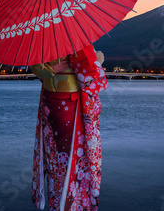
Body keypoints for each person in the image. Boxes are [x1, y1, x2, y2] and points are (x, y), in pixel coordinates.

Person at [29, 44, 108, 211]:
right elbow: (92, 80)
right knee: (72, 159)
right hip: (69, 105)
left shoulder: (44, 38)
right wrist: (98, 61)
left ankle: (56, 200)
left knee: (56, 157)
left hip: (50, 104)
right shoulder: (73, 39)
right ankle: (69, 205)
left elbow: (42, 73)